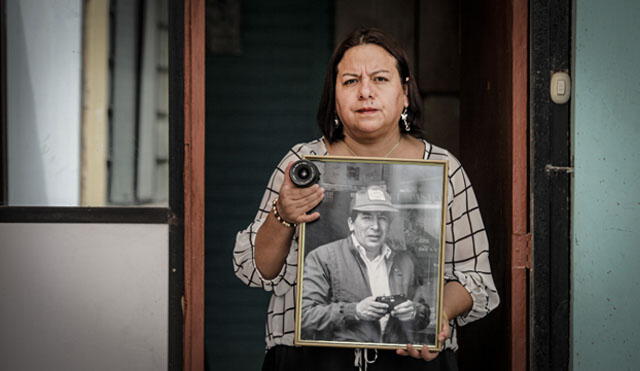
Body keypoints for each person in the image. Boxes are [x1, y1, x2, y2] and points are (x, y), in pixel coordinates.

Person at [233, 27, 499, 370]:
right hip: (309, 360)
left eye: (380, 79)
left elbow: (473, 276)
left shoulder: (442, 169)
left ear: (404, 93)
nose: (366, 92)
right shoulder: (301, 163)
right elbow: (258, 271)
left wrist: (434, 316)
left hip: (411, 359)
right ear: (334, 97)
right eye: (350, 82)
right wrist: (283, 214)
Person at [301, 185, 430, 345]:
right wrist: (354, 311)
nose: (375, 226)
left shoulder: (405, 262)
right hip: (343, 361)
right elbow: (304, 317)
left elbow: (424, 315)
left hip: (393, 360)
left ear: (389, 224)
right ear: (351, 223)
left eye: (382, 217)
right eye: (367, 217)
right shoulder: (322, 257)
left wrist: (414, 312)